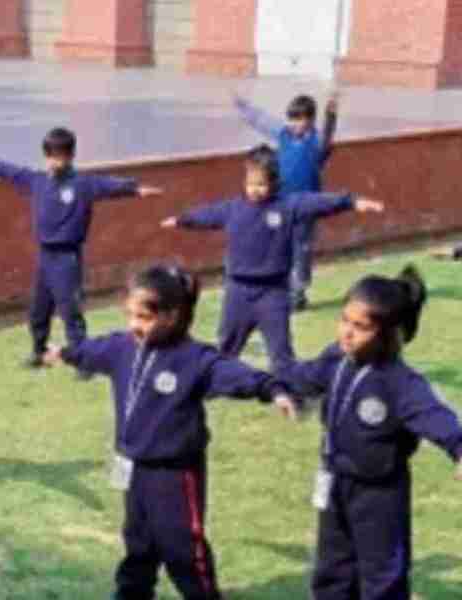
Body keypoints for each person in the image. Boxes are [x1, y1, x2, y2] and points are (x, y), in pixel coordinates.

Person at [49, 264, 298, 600]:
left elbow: (231, 372)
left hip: (175, 474)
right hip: (134, 468)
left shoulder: (194, 358)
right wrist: (65, 353)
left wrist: (271, 389)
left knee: (183, 547)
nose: (134, 325)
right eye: (130, 315)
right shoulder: (121, 347)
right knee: (138, 542)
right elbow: (90, 350)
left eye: (143, 317)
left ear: (171, 315)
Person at [278, 266, 462, 599]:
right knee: (331, 570)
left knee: (382, 577)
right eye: (344, 320)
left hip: (379, 494)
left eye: (360, 327)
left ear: (388, 334)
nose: (346, 332)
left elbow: (437, 416)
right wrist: (275, 386)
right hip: (334, 482)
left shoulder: (400, 382)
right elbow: (303, 377)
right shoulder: (336, 358)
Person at [161, 144, 384, 373]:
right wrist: (181, 220)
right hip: (238, 291)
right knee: (227, 347)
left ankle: (291, 391)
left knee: (281, 353)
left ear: (274, 183)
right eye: (250, 183)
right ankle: (212, 385)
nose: (254, 189)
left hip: (273, 293)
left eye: (261, 184)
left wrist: (352, 202)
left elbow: (320, 203)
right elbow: (206, 215)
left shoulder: (287, 206)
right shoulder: (233, 209)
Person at [0, 126, 163, 369]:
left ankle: (83, 360)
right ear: (46, 156)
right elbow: (11, 172)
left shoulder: (83, 184)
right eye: (51, 155)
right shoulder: (37, 181)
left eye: (60, 155)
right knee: (38, 310)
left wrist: (135, 189)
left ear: (71, 156)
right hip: (45, 256)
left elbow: (110, 185)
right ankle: (39, 352)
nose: (55, 160)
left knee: (70, 311)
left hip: (66, 258)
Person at [233, 91, 340, 310]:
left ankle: (297, 292)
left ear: (310, 121)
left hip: (305, 208)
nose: (294, 124)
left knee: (301, 249)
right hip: (280, 204)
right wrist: (243, 107)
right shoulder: (283, 135)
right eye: (291, 118)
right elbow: (263, 121)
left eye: (299, 119)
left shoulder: (316, 144)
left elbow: (328, 137)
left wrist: (330, 116)